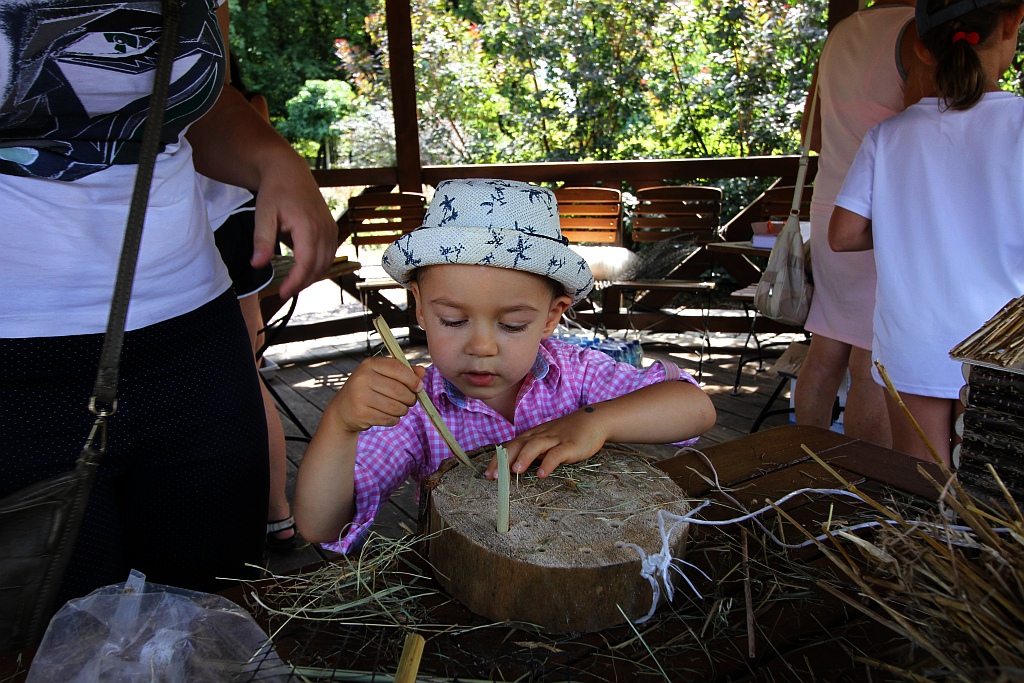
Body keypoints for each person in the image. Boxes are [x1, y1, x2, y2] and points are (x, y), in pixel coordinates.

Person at [0, 0, 336, 604]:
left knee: (209, 613)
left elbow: (198, 103)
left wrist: (271, 157)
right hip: (18, 367)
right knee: (56, 636)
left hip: (194, 342)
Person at [294, 178, 717, 551]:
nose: (481, 346)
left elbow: (695, 409)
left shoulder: (577, 375)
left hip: (591, 557)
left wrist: (595, 422)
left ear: (552, 316)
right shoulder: (416, 410)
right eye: (453, 321)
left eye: (513, 325)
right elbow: (320, 525)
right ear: (420, 309)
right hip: (467, 579)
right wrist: (340, 424)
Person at [829, 0, 1024, 464]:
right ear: (1013, 21)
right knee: (996, 493)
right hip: (1005, 344)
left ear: (921, 48)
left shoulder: (888, 135)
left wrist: (905, 229)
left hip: (914, 339)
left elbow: (843, 234)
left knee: (922, 490)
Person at [794, 0, 932, 446]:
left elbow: (810, 134)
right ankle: (864, 482)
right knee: (873, 359)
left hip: (829, 202)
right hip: (882, 208)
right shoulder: (916, 30)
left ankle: (805, 461)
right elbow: (923, 125)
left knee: (827, 347)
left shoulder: (842, 32)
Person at [203, 56, 296, 551]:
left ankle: (258, 516)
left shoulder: (192, 99)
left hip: (211, 229)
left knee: (235, 375)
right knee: (249, 370)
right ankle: (277, 514)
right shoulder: (249, 102)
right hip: (246, 224)